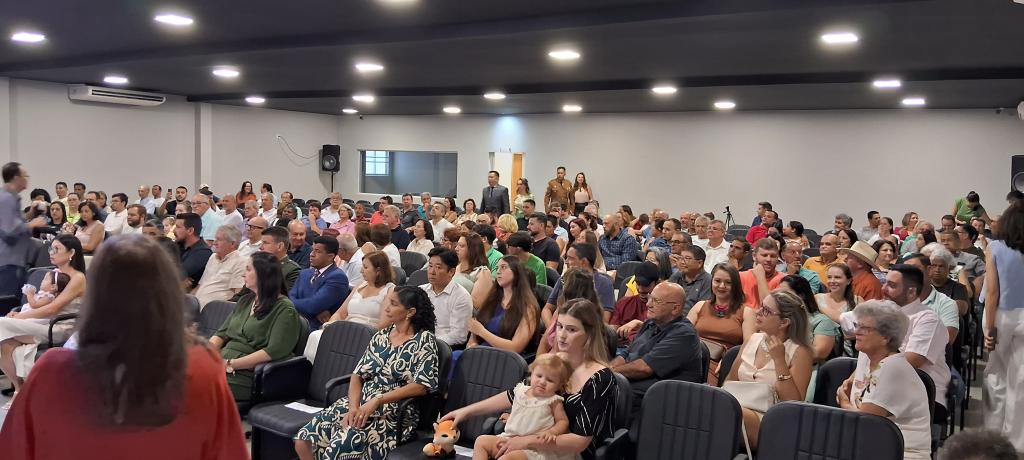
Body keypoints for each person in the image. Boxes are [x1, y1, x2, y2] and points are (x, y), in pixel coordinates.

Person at [0, 234, 248, 458]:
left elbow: (14, 449)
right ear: (168, 295)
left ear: (96, 296)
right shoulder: (202, 366)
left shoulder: (51, 371)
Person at [443, 298, 618, 460]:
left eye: (571, 329)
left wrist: (526, 441)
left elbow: (580, 442)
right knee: (483, 442)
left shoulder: (601, 378)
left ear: (590, 334)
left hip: (565, 453)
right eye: (560, 327)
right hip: (532, 442)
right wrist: (465, 412)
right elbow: (516, 393)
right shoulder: (555, 362)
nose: (562, 335)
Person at [294, 286, 439, 460]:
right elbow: (357, 375)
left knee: (338, 447)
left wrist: (377, 400)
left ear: (410, 312)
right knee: (304, 439)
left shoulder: (424, 340)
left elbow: (421, 386)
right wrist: (353, 407)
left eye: (393, 304)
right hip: (360, 402)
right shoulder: (381, 336)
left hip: (393, 413)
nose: (386, 309)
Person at [837, 300, 931, 460]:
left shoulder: (892, 368)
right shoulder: (866, 355)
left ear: (886, 337)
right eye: (856, 325)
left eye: (864, 328)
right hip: (869, 448)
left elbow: (865, 422)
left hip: (902, 454)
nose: (856, 332)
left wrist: (844, 402)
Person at [723, 290, 813, 450]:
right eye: (761, 306)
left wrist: (779, 361)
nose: (758, 312)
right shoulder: (752, 339)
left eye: (766, 310)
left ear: (784, 322)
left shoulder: (800, 352)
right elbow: (729, 380)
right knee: (708, 405)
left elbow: (792, 404)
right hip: (735, 408)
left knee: (729, 413)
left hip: (771, 420)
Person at [0, 235, 86, 402]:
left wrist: (20, 316)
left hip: (59, 328)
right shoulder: (55, 273)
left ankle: (22, 392)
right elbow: (38, 304)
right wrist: (20, 315)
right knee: (5, 344)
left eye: (56, 249)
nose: (51, 253)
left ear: (71, 253)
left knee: (2, 324)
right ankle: (19, 389)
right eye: (50, 248)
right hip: (41, 323)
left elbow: (52, 308)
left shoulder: (78, 278)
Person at [210, 251, 301, 403]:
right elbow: (221, 334)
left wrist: (230, 364)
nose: (243, 274)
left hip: (247, 373)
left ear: (263, 274)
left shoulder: (285, 309)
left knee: (197, 384)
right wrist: (204, 355)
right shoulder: (245, 301)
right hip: (223, 363)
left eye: (248, 269)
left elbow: (273, 351)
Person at [611, 282, 702, 412]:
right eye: (649, 298)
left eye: (656, 301)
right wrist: (609, 369)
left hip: (662, 402)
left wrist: (608, 373)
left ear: (675, 308)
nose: (648, 304)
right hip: (635, 391)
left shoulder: (684, 334)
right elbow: (626, 354)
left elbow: (644, 368)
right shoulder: (650, 323)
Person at [883, 264, 951, 421]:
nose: (884, 289)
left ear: (911, 292)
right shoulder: (883, 311)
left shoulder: (927, 319)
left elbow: (912, 361)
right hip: (886, 384)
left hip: (924, 391)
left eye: (891, 285)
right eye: (885, 283)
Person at [472, 353, 573, 460]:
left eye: (550, 380)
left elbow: (563, 421)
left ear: (559, 384)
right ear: (532, 373)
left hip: (532, 448)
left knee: (506, 459)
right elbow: (525, 413)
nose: (542, 382)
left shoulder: (553, 401)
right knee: (481, 441)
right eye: (539, 376)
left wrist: (552, 432)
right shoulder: (520, 391)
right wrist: (512, 416)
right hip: (509, 439)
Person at [981, 201, 1024, 451]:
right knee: (1020, 378)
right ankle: (1016, 440)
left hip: (1003, 315)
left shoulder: (994, 247)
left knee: (996, 374)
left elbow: (993, 292)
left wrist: (990, 329)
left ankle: (992, 434)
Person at [686, 264, 755, 385]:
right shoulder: (700, 306)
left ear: (736, 286)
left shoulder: (746, 312)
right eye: (717, 281)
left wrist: (729, 360)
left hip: (722, 363)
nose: (722, 286)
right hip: (693, 357)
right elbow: (682, 335)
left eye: (728, 282)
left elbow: (749, 346)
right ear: (711, 281)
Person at [778, 275, 839, 401]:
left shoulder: (821, 321)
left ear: (801, 296)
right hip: (775, 365)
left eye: (786, 293)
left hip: (806, 370)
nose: (781, 298)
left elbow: (819, 353)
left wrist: (781, 354)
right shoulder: (778, 319)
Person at [468, 256, 539, 354]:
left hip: (504, 359)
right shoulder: (492, 299)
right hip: (480, 353)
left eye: (504, 267)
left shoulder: (529, 308)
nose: (498, 272)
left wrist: (482, 332)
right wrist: (471, 345)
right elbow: (475, 329)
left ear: (517, 271)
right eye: (497, 268)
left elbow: (515, 348)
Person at [1, 163, 47, 297]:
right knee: (7, 303)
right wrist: (32, 224)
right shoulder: (7, 199)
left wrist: (30, 214)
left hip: (13, 260)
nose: (27, 178)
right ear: (16, 178)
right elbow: (10, 231)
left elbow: (12, 223)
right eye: (25, 176)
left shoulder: (10, 198)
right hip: (8, 261)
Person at [542, 243, 615, 325]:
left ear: (584, 262)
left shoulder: (604, 283)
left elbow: (604, 320)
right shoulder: (563, 279)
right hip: (559, 326)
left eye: (570, 258)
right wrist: (551, 328)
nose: (566, 262)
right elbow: (547, 309)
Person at [289, 236, 351, 329]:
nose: (311, 254)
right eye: (312, 250)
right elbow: (289, 297)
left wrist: (291, 303)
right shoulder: (304, 273)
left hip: (316, 329)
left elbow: (312, 306)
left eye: (317, 251)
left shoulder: (337, 277)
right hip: (294, 322)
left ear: (331, 256)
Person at [326, 251, 396, 329]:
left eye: (365, 267)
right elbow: (340, 313)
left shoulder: (390, 290)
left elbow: (384, 323)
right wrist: (329, 325)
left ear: (378, 271)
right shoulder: (360, 285)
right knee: (316, 335)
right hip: (346, 327)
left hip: (367, 333)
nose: (361, 271)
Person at [420, 248, 473, 347]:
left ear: (451, 272)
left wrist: (428, 343)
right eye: (430, 266)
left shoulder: (461, 297)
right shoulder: (421, 291)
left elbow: (458, 336)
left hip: (443, 348)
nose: (432, 271)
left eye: (438, 267)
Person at [192, 225, 246, 308]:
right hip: (196, 307)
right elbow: (201, 285)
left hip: (216, 312)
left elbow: (237, 295)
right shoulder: (213, 257)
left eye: (219, 239)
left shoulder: (241, 261)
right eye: (215, 239)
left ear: (232, 243)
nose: (214, 243)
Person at [610, 262, 661, 347]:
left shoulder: (662, 308)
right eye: (638, 284)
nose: (640, 289)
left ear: (656, 283)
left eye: (645, 285)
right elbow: (612, 329)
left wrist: (638, 324)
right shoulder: (624, 303)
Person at [739, 238, 786, 308]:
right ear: (754, 256)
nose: (768, 259)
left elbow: (769, 308)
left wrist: (760, 277)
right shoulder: (740, 277)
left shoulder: (784, 280)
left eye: (773, 256)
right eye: (764, 255)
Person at [175, 212, 213, 291]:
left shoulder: (203, 252)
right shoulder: (177, 245)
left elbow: (178, 274)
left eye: (178, 227)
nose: (174, 231)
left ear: (190, 230)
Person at [668, 245, 711, 310]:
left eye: (687, 259)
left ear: (699, 263)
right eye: (681, 258)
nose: (682, 262)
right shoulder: (677, 276)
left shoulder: (708, 280)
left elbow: (702, 309)